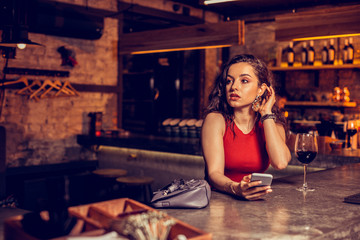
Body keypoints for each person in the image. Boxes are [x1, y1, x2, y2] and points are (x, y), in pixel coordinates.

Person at [201, 54, 291, 201]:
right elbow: (214, 174)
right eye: (229, 81)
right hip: (219, 201)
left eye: (244, 81)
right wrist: (236, 188)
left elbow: (280, 163)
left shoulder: (271, 124)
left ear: (261, 90)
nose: (234, 87)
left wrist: (266, 114)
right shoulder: (215, 120)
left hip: (255, 203)